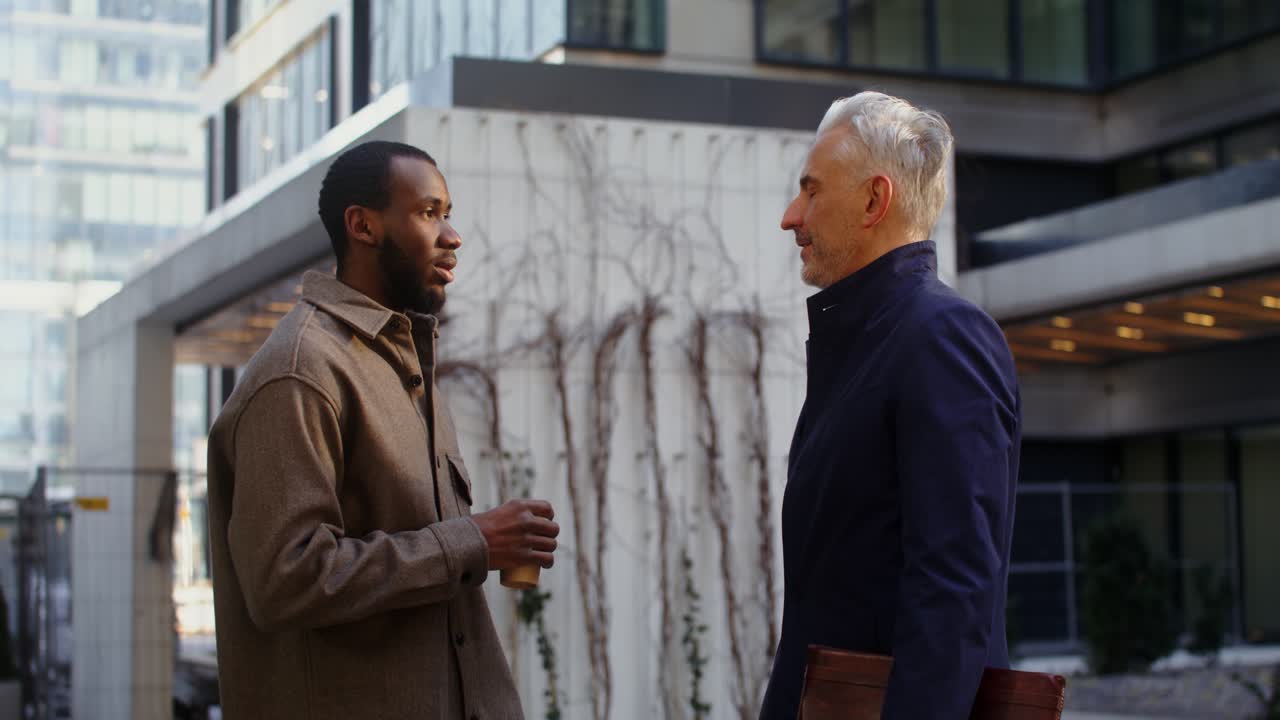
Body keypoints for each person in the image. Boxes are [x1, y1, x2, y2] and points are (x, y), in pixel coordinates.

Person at [206, 141, 559, 719]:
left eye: (448, 212)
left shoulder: (401, 363)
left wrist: (479, 541)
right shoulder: (302, 370)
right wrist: (474, 541)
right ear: (362, 225)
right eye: (429, 212)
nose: (453, 235)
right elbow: (284, 580)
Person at [759, 92, 1021, 719]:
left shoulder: (941, 338)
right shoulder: (872, 345)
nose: (791, 217)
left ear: (876, 200)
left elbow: (953, 590)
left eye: (812, 191)